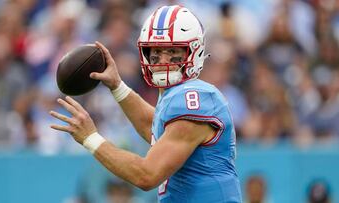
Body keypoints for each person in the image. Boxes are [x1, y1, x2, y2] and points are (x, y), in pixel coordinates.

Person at [50, 5, 242, 202]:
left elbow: (147, 175)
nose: (162, 60)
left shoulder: (195, 99)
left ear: (193, 52)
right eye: (156, 51)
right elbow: (154, 129)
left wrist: (91, 138)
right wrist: (117, 86)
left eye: (172, 51)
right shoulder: (178, 96)